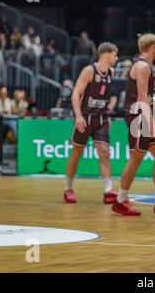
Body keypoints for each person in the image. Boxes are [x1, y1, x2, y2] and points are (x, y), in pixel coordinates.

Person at [112, 34, 155, 216]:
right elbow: (142, 98)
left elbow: (150, 98)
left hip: (145, 115)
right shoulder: (142, 66)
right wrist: (152, 124)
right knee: (136, 159)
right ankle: (120, 200)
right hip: (138, 117)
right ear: (152, 47)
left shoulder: (148, 66)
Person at [64, 42, 119, 204]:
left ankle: (108, 190)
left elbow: (106, 97)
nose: (116, 58)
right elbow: (76, 94)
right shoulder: (89, 70)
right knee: (77, 152)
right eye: (115, 54)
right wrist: (78, 116)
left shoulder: (111, 72)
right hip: (85, 117)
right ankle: (68, 188)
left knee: (104, 152)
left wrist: (107, 115)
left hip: (101, 118)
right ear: (106, 54)